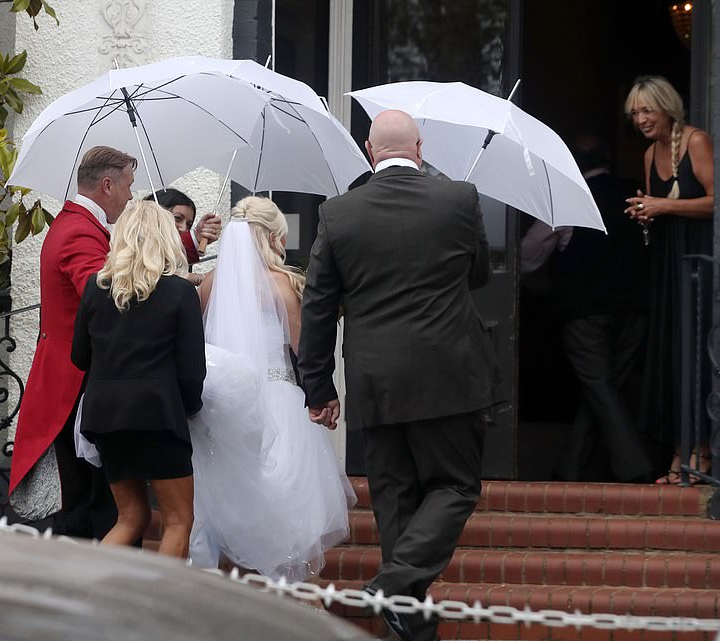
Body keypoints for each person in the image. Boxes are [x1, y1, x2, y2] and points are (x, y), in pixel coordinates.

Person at [298, 110, 494, 641]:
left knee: (396, 499)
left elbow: (318, 306)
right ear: (420, 148)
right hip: (449, 373)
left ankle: (405, 612)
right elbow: (479, 275)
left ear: (369, 150)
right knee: (455, 485)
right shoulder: (459, 199)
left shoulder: (338, 214)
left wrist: (317, 386)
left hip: (375, 379)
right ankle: (396, 587)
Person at [188, 196, 355, 581]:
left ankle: (212, 581)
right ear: (271, 238)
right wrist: (321, 396)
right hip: (278, 398)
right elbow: (303, 351)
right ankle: (282, 588)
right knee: (286, 496)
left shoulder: (209, 285)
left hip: (224, 405)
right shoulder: (282, 286)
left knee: (224, 492)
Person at [8, 146, 136, 538]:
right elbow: (102, 296)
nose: (131, 197)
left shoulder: (78, 224)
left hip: (74, 376)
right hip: (77, 382)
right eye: (128, 187)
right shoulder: (80, 230)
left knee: (88, 497)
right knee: (89, 499)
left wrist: (185, 245)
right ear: (107, 185)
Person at [71, 200, 205, 558]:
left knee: (130, 518)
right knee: (178, 521)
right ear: (165, 239)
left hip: (107, 416)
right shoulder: (179, 292)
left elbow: (79, 357)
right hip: (159, 416)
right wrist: (189, 409)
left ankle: (91, 594)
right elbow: (192, 370)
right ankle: (155, 611)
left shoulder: (95, 290)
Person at [522, 136, 652, 482]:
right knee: (604, 387)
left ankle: (635, 467)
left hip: (585, 311)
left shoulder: (568, 197)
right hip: (636, 307)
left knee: (600, 387)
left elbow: (528, 257)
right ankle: (571, 467)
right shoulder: (634, 191)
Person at [623, 76, 714, 484]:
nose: (641, 119)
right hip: (665, 265)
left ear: (667, 108)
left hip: (696, 265)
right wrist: (646, 211)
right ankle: (680, 454)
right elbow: (657, 207)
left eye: (647, 110)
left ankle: (702, 454)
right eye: (635, 113)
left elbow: (715, 200)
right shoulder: (649, 154)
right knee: (671, 356)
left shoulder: (695, 141)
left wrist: (662, 204)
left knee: (696, 353)